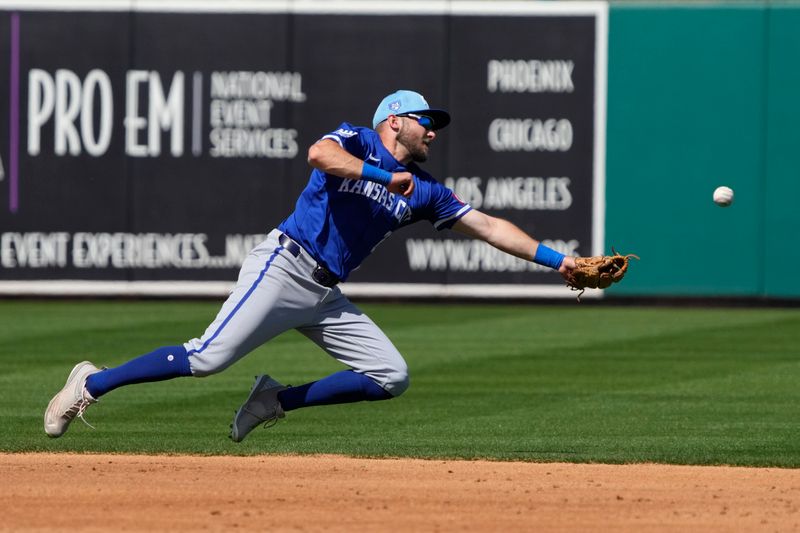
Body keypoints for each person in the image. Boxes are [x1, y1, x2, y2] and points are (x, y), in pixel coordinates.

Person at [44, 89, 578, 442]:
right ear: (395, 122)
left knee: (391, 376)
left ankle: (276, 399)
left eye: (435, 124)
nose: (433, 131)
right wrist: (378, 174)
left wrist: (561, 262)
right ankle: (92, 383)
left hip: (325, 294)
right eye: (424, 122)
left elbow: (486, 226)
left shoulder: (425, 191)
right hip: (284, 267)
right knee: (207, 358)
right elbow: (318, 155)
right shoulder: (359, 138)